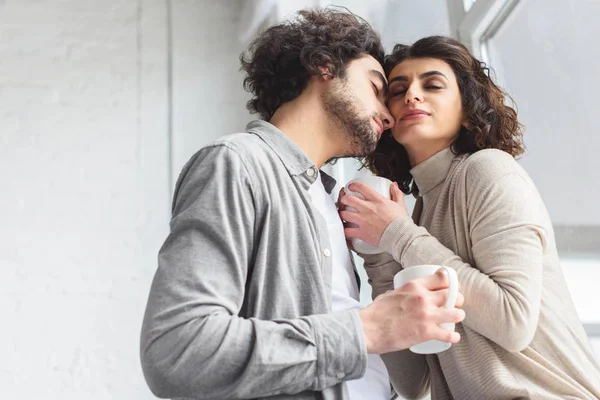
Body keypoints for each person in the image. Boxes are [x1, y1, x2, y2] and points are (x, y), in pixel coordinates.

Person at [139, 11, 465, 400]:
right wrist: (366, 330)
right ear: (323, 65)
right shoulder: (237, 163)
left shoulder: (325, 199)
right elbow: (178, 351)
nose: (388, 115)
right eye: (376, 87)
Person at [339, 35, 600, 399]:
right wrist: (382, 258)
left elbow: (513, 322)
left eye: (432, 85)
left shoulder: (488, 170)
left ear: (467, 108)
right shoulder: (419, 214)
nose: (412, 95)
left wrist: (397, 234)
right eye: (398, 91)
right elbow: (414, 384)